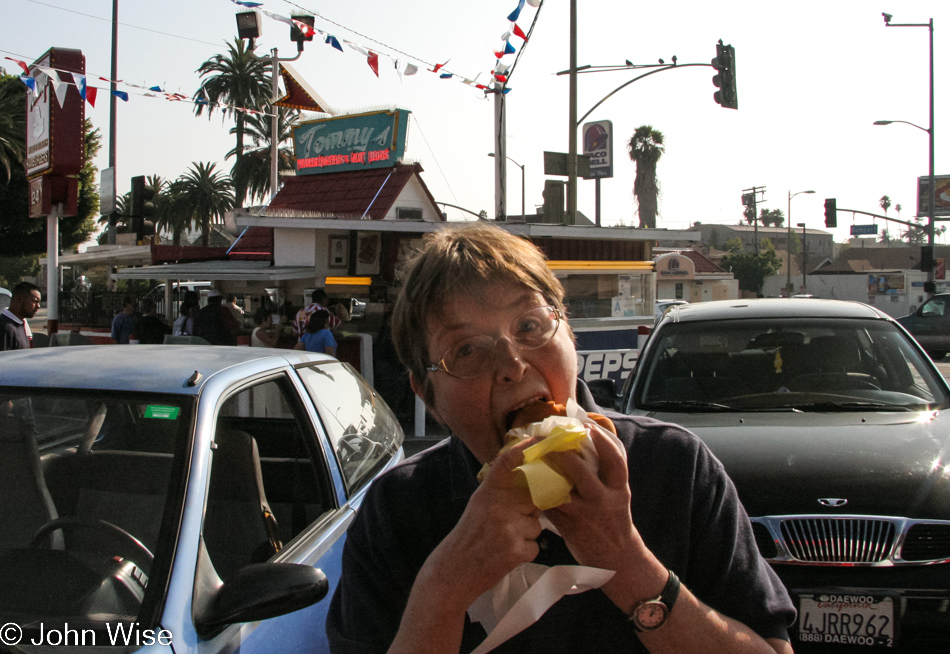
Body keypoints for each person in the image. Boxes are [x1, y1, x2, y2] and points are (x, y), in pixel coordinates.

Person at [327, 224, 795, 654]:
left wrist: (626, 560)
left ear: (568, 332)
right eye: (465, 349)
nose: (512, 364)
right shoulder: (396, 510)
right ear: (426, 395)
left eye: (529, 326)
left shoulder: (676, 467)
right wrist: (443, 589)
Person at [1, 282, 41, 351]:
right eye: (35, 301)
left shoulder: (19, 324)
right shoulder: (4, 327)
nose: (38, 306)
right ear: (18, 300)